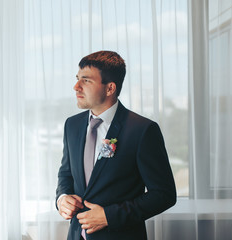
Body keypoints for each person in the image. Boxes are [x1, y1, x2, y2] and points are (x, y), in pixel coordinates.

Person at [55, 51, 176, 240]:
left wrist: (109, 216)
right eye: (77, 79)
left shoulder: (143, 130)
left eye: (86, 81)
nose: (76, 87)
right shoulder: (72, 125)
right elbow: (66, 174)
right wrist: (62, 199)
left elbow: (164, 194)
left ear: (110, 88)